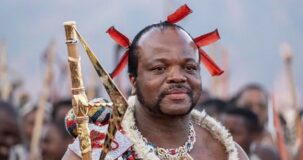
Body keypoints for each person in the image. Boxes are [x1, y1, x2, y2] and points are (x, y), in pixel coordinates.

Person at [63, 5, 248, 160]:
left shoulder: (226, 152)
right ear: (133, 81)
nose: (178, 76)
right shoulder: (96, 149)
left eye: (189, 67)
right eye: (159, 68)